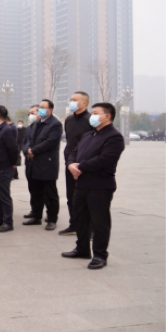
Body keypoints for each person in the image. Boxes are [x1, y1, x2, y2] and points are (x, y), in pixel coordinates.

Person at [62, 103, 125, 269]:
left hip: (100, 185)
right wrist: (70, 164)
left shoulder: (114, 137)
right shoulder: (88, 134)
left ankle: (100, 255)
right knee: (80, 219)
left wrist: (80, 167)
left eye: (96, 113)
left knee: (99, 222)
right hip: (81, 184)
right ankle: (82, 249)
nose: (92, 116)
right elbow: (73, 152)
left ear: (107, 116)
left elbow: (105, 159)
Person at [23, 99, 63, 231]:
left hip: (47, 164)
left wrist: (33, 151)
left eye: (43, 107)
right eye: (39, 107)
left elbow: (50, 142)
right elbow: (27, 141)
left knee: (50, 193)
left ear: (50, 110)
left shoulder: (55, 124)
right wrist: (27, 150)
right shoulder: (36, 124)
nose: (40, 109)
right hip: (32, 163)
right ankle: (36, 216)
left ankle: (51, 219)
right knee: (35, 192)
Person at [60, 91, 92, 236]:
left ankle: (90, 228)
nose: (71, 102)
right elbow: (70, 142)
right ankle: (74, 224)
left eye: (75, 99)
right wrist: (69, 161)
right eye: (71, 99)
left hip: (84, 165)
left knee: (86, 198)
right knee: (71, 196)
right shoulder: (69, 120)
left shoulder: (90, 120)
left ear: (84, 103)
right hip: (70, 163)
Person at [0, 105, 19, 232]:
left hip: (3, 167)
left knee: (4, 196)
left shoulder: (6, 129)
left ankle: (8, 222)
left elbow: (13, 149)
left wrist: (12, 164)